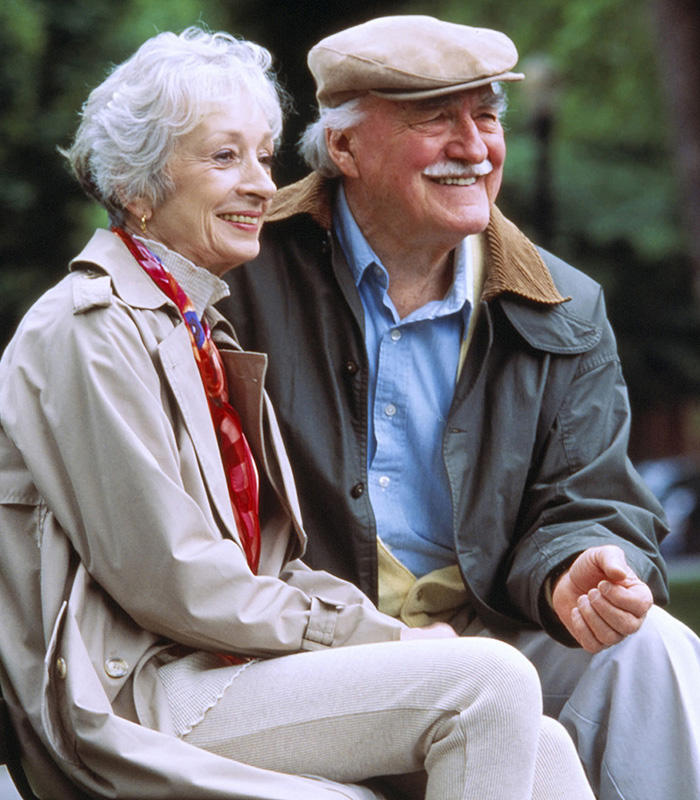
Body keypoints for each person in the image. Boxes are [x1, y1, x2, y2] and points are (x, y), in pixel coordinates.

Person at [0, 25, 595, 800]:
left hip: (221, 672)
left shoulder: (193, 322)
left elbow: (269, 563)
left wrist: (388, 638)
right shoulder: (89, 327)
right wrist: (382, 636)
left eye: (262, 154)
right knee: (487, 680)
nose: (258, 183)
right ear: (138, 187)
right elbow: (173, 580)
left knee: (539, 742)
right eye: (222, 158)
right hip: (134, 697)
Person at [221, 14, 700, 800]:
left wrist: (575, 570)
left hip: (488, 622)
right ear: (343, 147)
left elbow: (591, 499)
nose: (474, 145)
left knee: (656, 652)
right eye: (435, 117)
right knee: (498, 710)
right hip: (306, 645)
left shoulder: (564, 305)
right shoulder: (241, 271)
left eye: (486, 115)